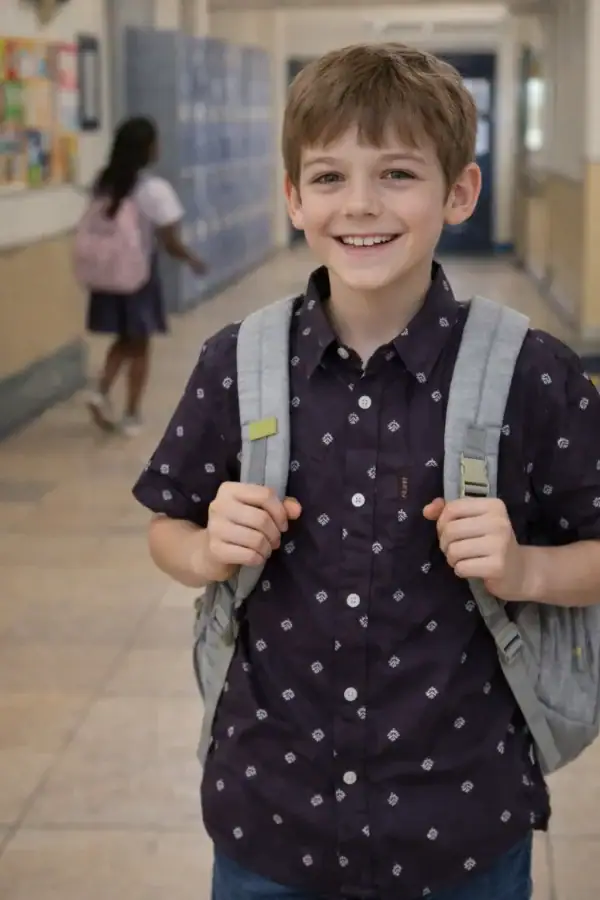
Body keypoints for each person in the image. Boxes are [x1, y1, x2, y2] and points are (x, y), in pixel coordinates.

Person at [132, 43, 600, 900]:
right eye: (329, 177)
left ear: (460, 191)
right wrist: (203, 550)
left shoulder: (534, 375)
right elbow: (168, 527)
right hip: (271, 815)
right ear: (293, 197)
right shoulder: (237, 364)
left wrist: (527, 569)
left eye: (397, 174)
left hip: (462, 819)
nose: (359, 204)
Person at [85, 116, 206, 437]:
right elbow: (170, 241)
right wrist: (193, 260)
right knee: (140, 344)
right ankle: (132, 413)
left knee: (125, 338)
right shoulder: (154, 189)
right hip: (138, 276)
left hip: (109, 273)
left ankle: (100, 390)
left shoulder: (103, 183)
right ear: (148, 148)